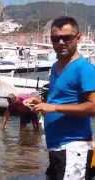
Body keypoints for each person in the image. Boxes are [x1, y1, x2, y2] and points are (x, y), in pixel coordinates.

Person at [23, 16, 95, 179]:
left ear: (78, 38)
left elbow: (93, 107)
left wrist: (53, 107)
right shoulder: (56, 67)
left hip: (74, 148)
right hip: (56, 147)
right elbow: (61, 101)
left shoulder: (84, 69)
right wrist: (41, 103)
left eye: (66, 38)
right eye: (56, 39)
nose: (61, 42)